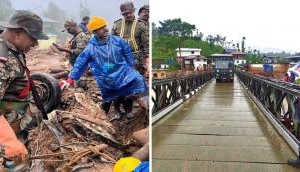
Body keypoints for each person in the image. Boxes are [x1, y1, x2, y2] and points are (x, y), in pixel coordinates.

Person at [63, 16, 148, 120]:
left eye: (105, 26)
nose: (106, 29)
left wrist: (132, 64)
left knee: (139, 80)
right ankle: (102, 118)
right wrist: (72, 77)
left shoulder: (117, 41)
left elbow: (127, 52)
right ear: (94, 32)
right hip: (106, 78)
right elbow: (80, 62)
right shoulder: (91, 48)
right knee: (109, 98)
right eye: (101, 28)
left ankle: (147, 110)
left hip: (123, 72)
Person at [0, 10, 48, 169]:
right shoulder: (3, 59)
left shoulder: (13, 49)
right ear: (18, 33)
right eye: (34, 38)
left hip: (14, 126)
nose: (36, 43)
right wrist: (9, 141)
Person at [111, 1, 149, 77]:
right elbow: (111, 43)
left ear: (133, 11)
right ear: (122, 14)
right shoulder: (116, 25)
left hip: (136, 59)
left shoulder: (141, 25)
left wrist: (147, 60)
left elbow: (146, 44)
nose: (128, 15)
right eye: (125, 14)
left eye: (130, 12)